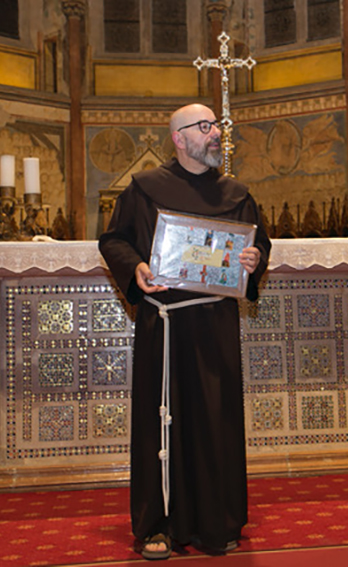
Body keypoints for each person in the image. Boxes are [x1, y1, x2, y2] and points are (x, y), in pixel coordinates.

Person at [99, 103, 271, 560]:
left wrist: (254, 260)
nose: (215, 133)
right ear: (178, 138)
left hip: (215, 324)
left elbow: (257, 245)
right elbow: (114, 240)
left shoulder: (237, 194)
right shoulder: (144, 188)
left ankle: (218, 522)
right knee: (162, 419)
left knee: (216, 420)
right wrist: (135, 265)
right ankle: (158, 525)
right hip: (165, 324)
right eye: (205, 126)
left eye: (217, 126)